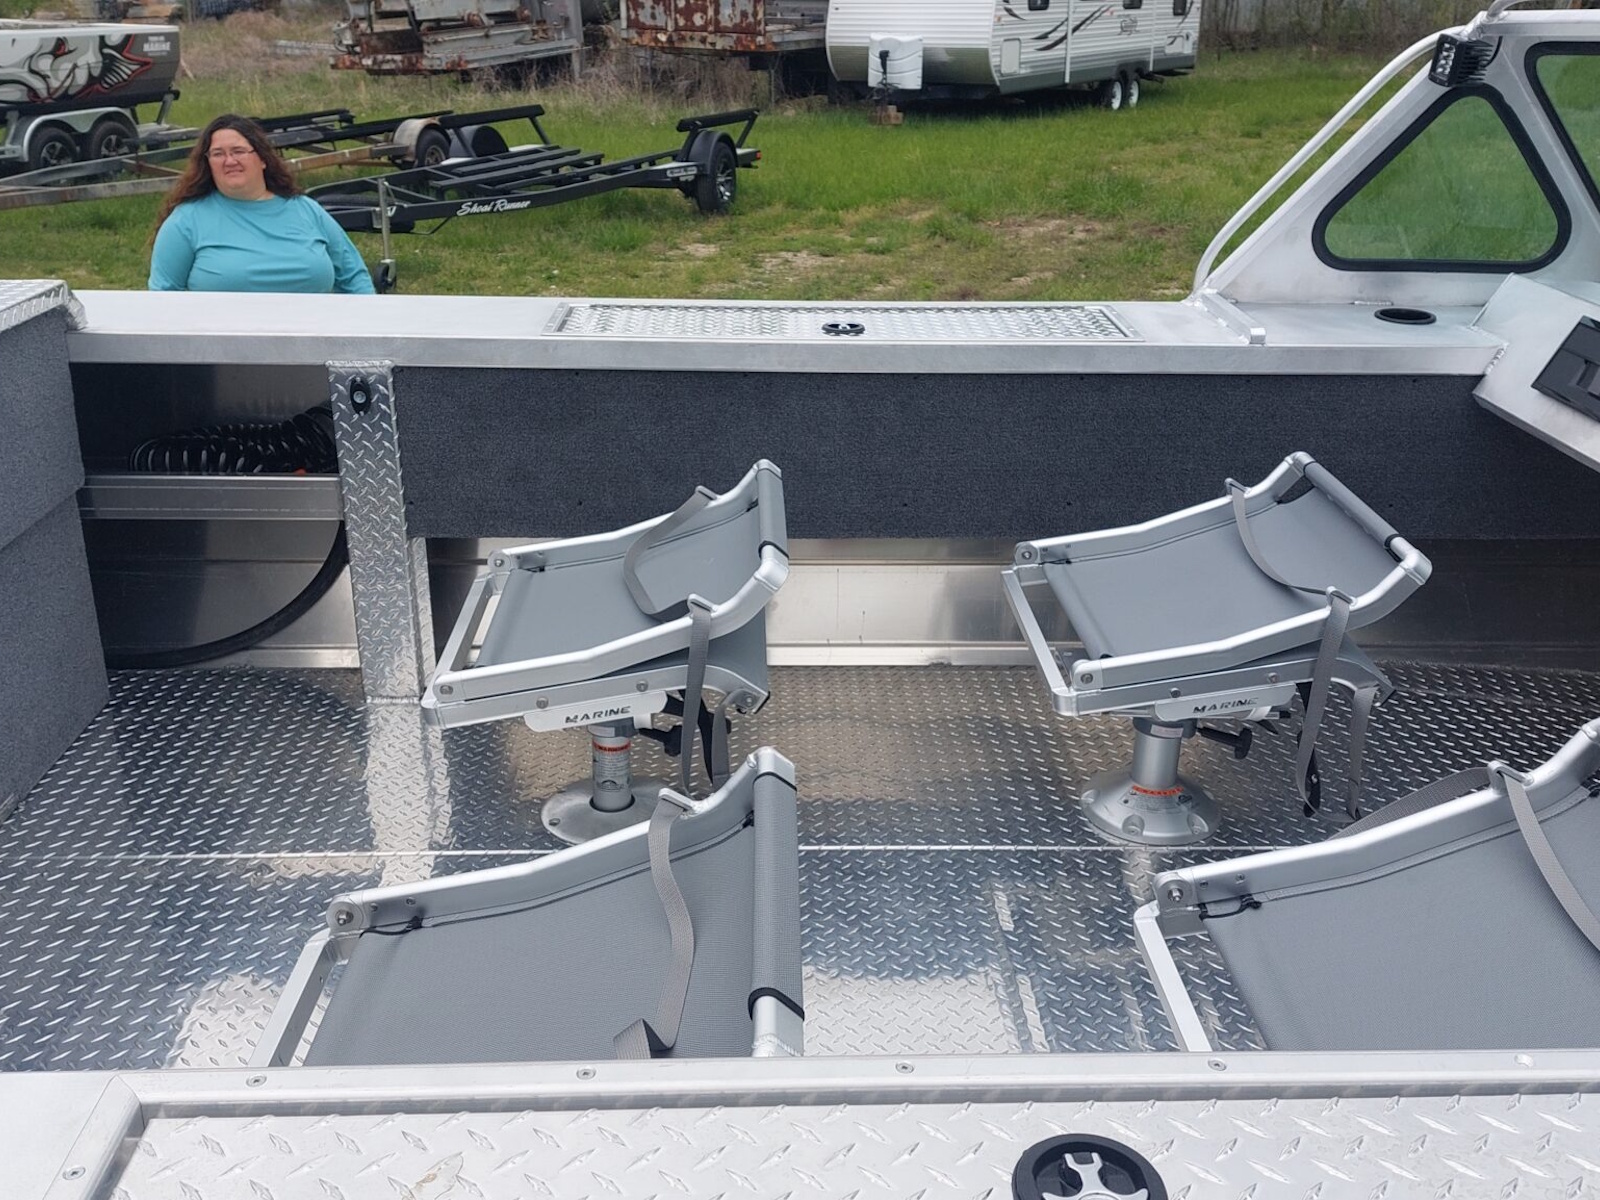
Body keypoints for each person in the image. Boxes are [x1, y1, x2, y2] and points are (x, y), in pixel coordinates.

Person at [150, 114, 375, 294]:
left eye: (238, 151)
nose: (230, 161)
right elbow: (163, 297)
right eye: (218, 154)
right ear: (207, 163)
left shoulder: (306, 209)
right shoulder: (186, 221)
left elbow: (354, 278)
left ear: (263, 159)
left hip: (312, 337)